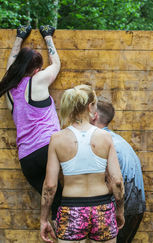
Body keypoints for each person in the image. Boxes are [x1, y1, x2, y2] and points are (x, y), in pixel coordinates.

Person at [39, 85, 125, 243]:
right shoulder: (105, 137)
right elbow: (117, 181)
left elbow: (50, 186)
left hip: (72, 210)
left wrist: (44, 219)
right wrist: (120, 211)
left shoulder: (57, 139)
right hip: (102, 209)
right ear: (91, 106)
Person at [0, 24, 63, 220]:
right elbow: (56, 65)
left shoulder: (9, 91)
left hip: (27, 159)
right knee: (66, 202)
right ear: (36, 69)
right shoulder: (37, 80)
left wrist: (20, 37)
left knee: (55, 206)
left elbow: (10, 66)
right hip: (48, 148)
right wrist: (48, 37)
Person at [91, 97, 146, 243]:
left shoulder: (103, 142)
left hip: (121, 208)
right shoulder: (118, 140)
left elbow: (114, 182)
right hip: (136, 208)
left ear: (93, 116)